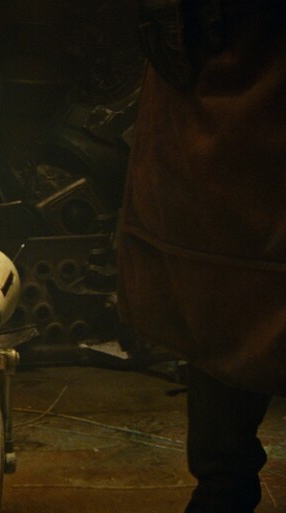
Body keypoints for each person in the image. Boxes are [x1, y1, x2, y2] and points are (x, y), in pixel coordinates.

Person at [121, 1, 286, 511]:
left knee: (222, 294)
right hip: (219, 75)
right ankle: (221, 485)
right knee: (217, 294)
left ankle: (222, 486)